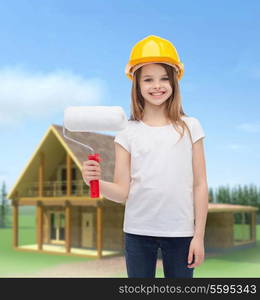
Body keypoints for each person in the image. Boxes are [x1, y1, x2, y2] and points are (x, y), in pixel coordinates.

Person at [82, 35, 208, 278]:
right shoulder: (127, 132)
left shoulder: (190, 126)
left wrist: (199, 236)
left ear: (174, 82)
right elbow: (121, 191)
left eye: (163, 78)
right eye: (148, 79)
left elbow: (200, 184)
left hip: (181, 233)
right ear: (137, 85)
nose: (157, 85)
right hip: (138, 233)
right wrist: (95, 182)